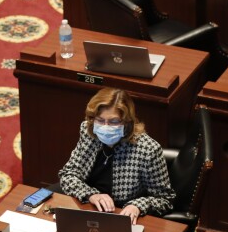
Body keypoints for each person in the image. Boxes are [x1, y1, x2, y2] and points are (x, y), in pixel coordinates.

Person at [58, 88, 174, 223]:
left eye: (114, 122)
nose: (105, 127)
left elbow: (165, 199)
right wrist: (91, 195)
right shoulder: (88, 132)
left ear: (127, 122)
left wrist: (137, 206)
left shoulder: (148, 150)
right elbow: (67, 174)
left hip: (120, 214)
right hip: (86, 205)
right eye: (100, 120)